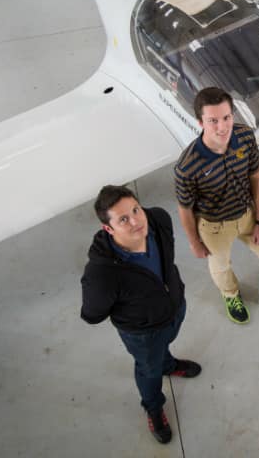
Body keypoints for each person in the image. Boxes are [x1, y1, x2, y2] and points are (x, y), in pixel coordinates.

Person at [175, 87, 259, 324]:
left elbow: (256, 177)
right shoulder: (187, 166)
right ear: (200, 122)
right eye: (213, 120)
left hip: (247, 215)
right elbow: (185, 208)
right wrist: (195, 242)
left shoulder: (246, 137)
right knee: (220, 266)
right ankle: (231, 295)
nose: (222, 127)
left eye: (226, 117)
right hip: (214, 227)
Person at [81, 185, 201, 445]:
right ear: (108, 229)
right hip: (143, 332)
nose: (136, 221)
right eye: (123, 219)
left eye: (135, 210)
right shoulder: (101, 274)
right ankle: (154, 407)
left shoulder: (158, 219)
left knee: (164, 347)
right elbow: (92, 314)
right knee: (148, 369)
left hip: (173, 306)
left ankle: (168, 365)